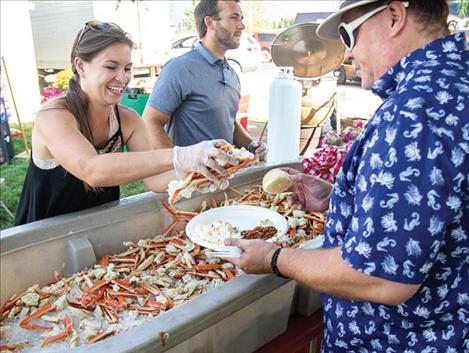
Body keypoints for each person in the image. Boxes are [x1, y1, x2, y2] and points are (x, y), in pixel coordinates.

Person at [225, 1, 469, 352]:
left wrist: (275, 258)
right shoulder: (451, 83)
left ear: (395, 17)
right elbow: (430, 212)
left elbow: (382, 276)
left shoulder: (415, 114)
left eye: (348, 34)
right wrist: (341, 199)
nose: (348, 52)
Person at [15, 21, 237, 226]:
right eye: (111, 67)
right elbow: (92, 170)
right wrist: (181, 155)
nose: (122, 78)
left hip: (97, 229)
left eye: (127, 68)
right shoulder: (53, 116)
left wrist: (198, 171)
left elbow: (156, 179)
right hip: (40, 238)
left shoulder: (127, 119)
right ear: (81, 66)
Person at [142, 0, 266, 160]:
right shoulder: (180, 68)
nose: (242, 25)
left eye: (241, 18)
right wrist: (181, 164)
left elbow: (228, 122)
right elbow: (150, 122)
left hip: (224, 179)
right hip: (191, 182)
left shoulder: (231, 73)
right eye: (234, 18)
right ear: (210, 22)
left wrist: (251, 145)